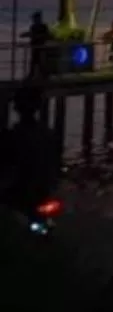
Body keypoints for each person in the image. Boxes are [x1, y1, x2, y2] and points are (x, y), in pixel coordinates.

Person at [0, 84, 57, 219]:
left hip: (21, 190)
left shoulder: (14, 135)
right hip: (44, 188)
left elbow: (9, 164)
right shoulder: (46, 133)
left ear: (17, 108)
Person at [20, 11, 51, 77]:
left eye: (35, 18)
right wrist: (27, 35)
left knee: (40, 63)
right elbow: (32, 35)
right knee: (34, 63)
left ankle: (43, 76)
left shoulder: (43, 27)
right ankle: (33, 75)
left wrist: (36, 36)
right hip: (34, 48)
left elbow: (47, 36)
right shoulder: (33, 27)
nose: (33, 20)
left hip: (41, 47)